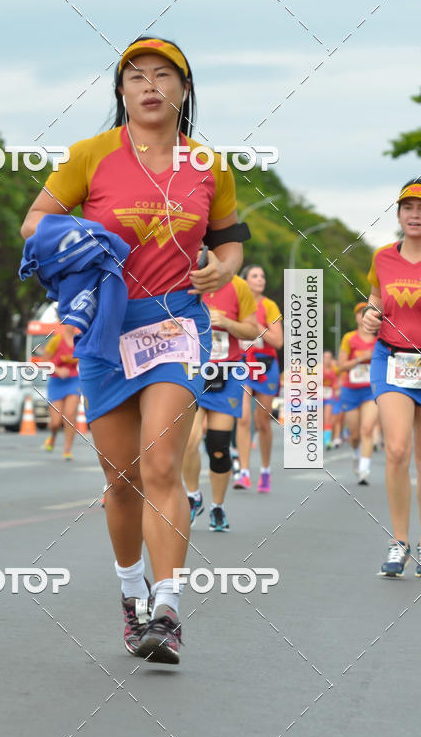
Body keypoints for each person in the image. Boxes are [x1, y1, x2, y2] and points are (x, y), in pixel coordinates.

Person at [21, 37, 249, 663]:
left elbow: (230, 243)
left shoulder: (209, 164)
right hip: (106, 328)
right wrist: (81, 242)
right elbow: (33, 223)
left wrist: (219, 270)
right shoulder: (89, 155)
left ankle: (169, 609)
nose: (149, 85)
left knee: (159, 468)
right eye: (135, 76)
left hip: (176, 323)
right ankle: (132, 597)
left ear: (184, 89)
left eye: (163, 75)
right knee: (120, 480)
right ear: (121, 92)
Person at [364, 179, 421, 577]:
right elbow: (375, 303)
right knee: (398, 449)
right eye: (408, 207)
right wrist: (367, 316)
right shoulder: (383, 257)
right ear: (398, 213)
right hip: (391, 361)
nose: (415, 215)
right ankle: (399, 541)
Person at [183, 275, 257, 530]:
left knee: (218, 446)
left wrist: (225, 322)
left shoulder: (238, 285)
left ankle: (217, 507)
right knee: (188, 442)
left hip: (226, 373)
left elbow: (252, 330)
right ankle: (193, 497)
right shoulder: (182, 279)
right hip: (193, 371)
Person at [234, 265, 283, 492]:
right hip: (243, 362)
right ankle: (243, 472)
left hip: (265, 365)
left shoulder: (269, 305)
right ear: (245, 280)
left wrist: (258, 326)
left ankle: (265, 470)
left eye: (263, 276)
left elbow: (278, 341)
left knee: (262, 421)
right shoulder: (238, 301)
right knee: (243, 418)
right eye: (255, 275)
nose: (260, 279)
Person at [338, 303, 378, 484]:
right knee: (355, 435)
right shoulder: (349, 338)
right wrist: (360, 358)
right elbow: (341, 366)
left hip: (371, 390)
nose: (363, 317)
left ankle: (364, 469)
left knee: (367, 429)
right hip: (351, 390)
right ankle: (356, 453)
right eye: (360, 313)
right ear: (356, 318)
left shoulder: (379, 339)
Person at [42, 321, 81, 459]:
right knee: (55, 422)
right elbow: (44, 361)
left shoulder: (79, 339)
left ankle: (67, 450)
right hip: (56, 382)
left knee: (70, 415)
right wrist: (57, 370)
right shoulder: (56, 341)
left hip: (74, 381)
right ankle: (52, 435)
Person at [322, 350, 338, 449]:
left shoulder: (334, 370)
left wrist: (337, 390)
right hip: (318, 396)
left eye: (329, 357)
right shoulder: (318, 369)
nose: (327, 359)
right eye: (325, 357)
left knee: (327, 418)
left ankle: (327, 441)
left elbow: (335, 382)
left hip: (329, 396)